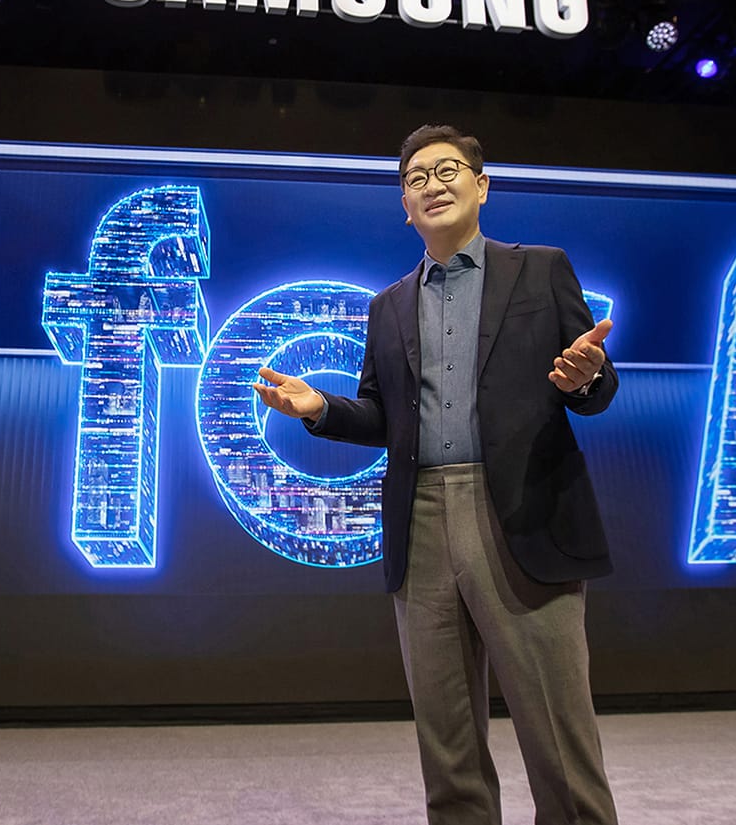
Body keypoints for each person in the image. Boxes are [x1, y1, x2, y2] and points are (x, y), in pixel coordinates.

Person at [253, 124, 620, 825]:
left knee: (559, 742)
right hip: (420, 522)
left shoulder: (541, 270)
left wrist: (587, 377)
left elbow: (594, 387)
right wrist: (320, 407)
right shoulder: (388, 304)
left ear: (482, 186)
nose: (432, 184)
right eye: (416, 178)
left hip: (521, 515)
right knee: (448, 749)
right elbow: (383, 417)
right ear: (405, 206)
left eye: (448, 170)